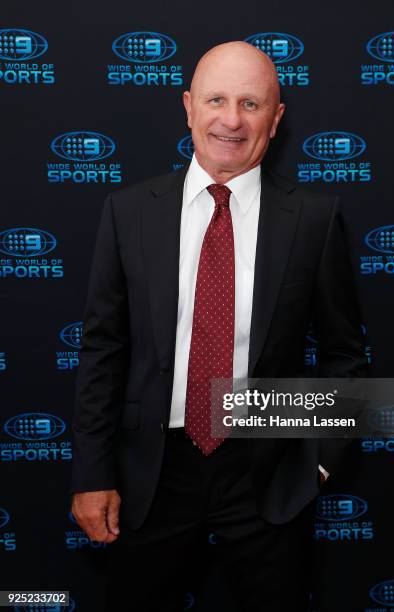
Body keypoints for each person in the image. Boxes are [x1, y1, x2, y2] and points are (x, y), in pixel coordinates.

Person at [70, 41, 368, 611]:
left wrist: (321, 462)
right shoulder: (127, 212)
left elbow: (345, 355)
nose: (232, 120)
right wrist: (91, 472)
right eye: (216, 100)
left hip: (267, 474)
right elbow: (102, 350)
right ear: (188, 107)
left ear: (276, 119)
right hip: (149, 475)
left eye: (252, 104)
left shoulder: (315, 219)